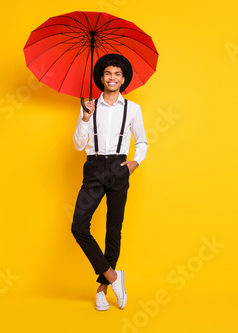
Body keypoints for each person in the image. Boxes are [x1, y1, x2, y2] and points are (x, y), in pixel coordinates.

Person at [71, 54, 148, 311]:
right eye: (107, 74)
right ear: (101, 78)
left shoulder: (133, 109)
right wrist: (84, 117)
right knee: (79, 227)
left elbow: (143, 141)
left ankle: (102, 289)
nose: (112, 78)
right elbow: (78, 144)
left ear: (123, 79)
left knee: (113, 230)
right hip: (93, 168)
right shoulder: (89, 107)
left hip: (118, 168)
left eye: (116, 74)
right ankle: (114, 276)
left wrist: (135, 162)